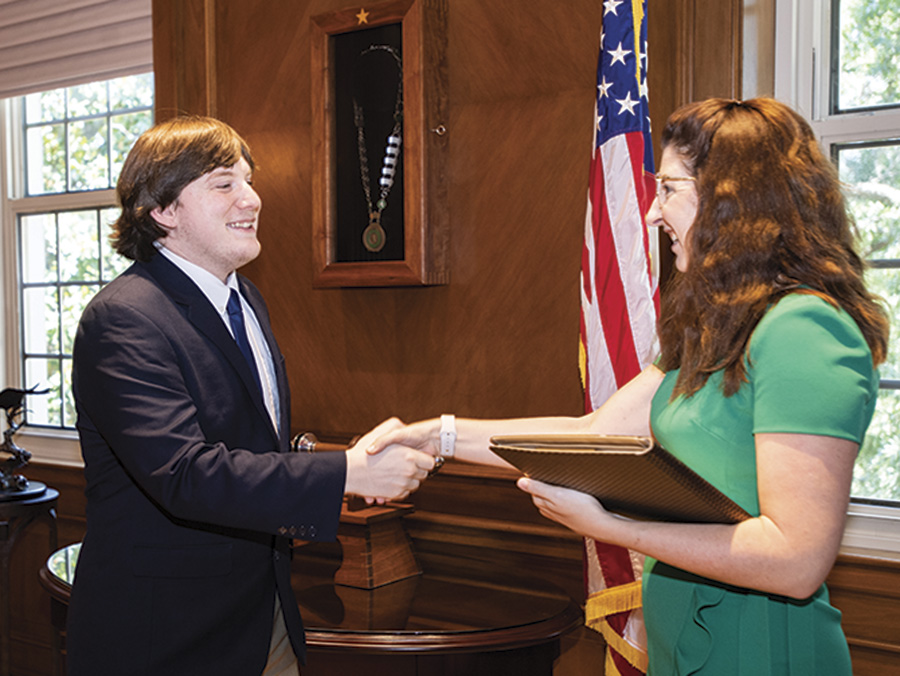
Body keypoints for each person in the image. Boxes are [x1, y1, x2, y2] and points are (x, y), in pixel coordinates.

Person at [369, 98, 890, 674]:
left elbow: (795, 560)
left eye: (668, 188)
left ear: (733, 198)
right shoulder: (720, 323)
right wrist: (436, 437)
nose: (652, 212)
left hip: (759, 647)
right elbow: (592, 432)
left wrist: (614, 528)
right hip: (688, 637)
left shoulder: (804, 329)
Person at [67, 116, 435, 676]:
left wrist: (345, 463)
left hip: (264, 613)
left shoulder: (247, 300)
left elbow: (248, 438)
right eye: (224, 183)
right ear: (163, 211)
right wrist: (347, 474)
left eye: (248, 179)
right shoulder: (123, 319)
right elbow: (185, 473)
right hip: (167, 635)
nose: (252, 198)